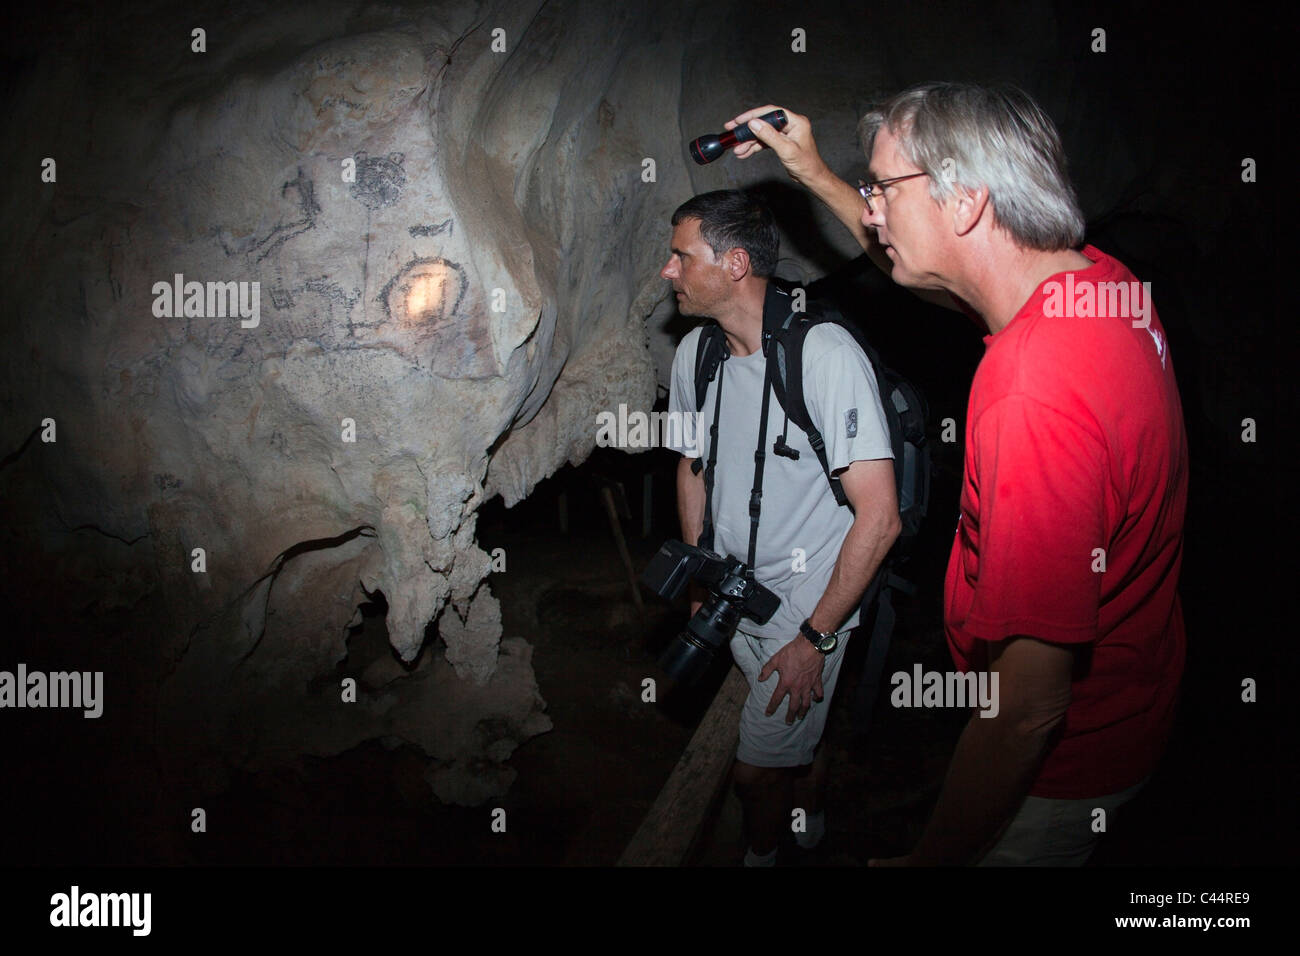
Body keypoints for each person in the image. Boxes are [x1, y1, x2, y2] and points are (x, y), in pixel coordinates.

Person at [724, 84, 1189, 865]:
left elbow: (1029, 708)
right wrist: (810, 171)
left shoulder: (1032, 395)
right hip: (1140, 700)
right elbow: (937, 267)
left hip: (1063, 769)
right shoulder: (1097, 284)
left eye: (882, 187)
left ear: (966, 199)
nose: (871, 208)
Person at [660, 190, 900, 866]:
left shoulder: (823, 355)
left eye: (681, 256)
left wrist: (814, 638)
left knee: (753, 775)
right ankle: (812, 816)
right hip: (734, 592)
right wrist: (699, 576)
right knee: (799, 744)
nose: (667, 271)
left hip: (807, 606)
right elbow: (691, 467)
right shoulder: (695, 358)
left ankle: (762, 857)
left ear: (735, 264)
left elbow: (879, 519)